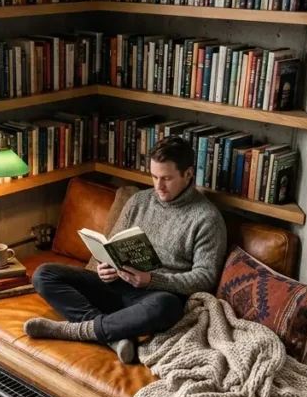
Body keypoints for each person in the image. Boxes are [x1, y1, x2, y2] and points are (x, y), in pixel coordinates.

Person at [24, 136, 227, 364]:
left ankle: (74, 330)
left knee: (166, 307)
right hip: (116, 286)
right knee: (44, 275)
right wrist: (105, 267)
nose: (158, 186)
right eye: (154, 176)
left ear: (188, 174)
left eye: (167, 179)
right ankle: (112, 337)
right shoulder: (139, 201)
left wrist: (152, 280)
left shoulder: (207, 218)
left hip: (155, 297)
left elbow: (205, 279)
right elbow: (111, 247)